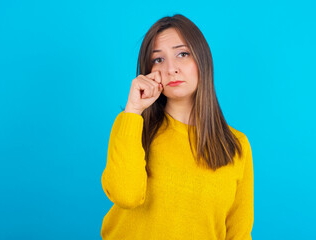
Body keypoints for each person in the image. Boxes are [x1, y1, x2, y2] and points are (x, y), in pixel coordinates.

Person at [101, 14, 254, 240]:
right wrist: (133, 110)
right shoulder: (132, 125)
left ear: (202, 60)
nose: (171, 68)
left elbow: (238, 233)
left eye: (182, 54)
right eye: (158, 60)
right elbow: (125, 196)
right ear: (149, 70)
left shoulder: (236, 145)